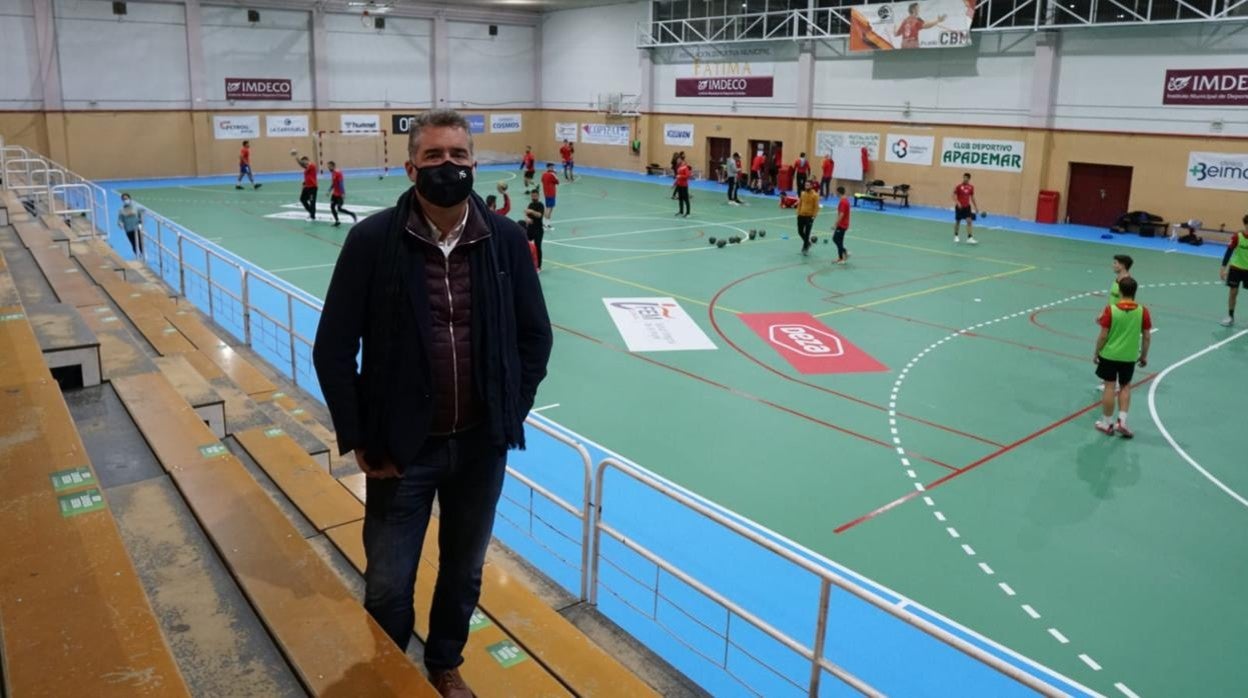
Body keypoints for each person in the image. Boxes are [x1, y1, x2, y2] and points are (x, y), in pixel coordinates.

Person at [312, 110, 552, 698]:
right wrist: (362, 438)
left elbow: (534, 337)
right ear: (411, 165)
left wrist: (507, 414)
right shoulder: (373, 241)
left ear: (474, 162)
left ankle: (444, 662)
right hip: (401, 450)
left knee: (464, 573)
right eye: (436, 156)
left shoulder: (506, 240)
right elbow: (334, 349)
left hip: (480, 444)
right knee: (389, 582)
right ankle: (388, 671)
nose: (448, 166)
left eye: (459, 155)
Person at [1093, 276, 1150, 438]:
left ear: (1119, 291)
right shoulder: (1142, 311)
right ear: (1135, 292)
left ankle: (1107, 423)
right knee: (1125, 386)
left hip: (1110, 354)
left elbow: (1103, 335)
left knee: (1110, 386)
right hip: (1129, 356)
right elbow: (1146, 336)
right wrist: (1143, 355)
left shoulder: (1111, 310)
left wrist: (1096, 352)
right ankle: (1122, 421)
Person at [1219, 216, 1248, 326]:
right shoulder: (1237, 236)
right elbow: (1229, 252)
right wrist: (1223, 268)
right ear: (1245, 224)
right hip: (1236, 268)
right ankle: (1230, 316)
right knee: (1233, 293)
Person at [327, 161, 358, 228]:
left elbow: (341, 184)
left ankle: (352, 214)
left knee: (339, 208)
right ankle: (337, 221)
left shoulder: (338, 173)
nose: (328, 168)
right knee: (332, 207)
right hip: (334, 194)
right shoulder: (333, 173)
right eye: (328, 167)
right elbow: (333, 183)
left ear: (333, 166)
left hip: (339, 195)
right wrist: (329, 190)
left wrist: (343, 193)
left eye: (329, 167)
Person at [291, 150, 318, 221]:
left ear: (307, 160)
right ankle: (311, 212)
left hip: (313, 187)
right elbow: (301, 164)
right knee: (302, 199)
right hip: (307, 187)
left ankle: (312, 216)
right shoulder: (307, 167)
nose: (304, 163)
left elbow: (301, 163)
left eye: (304, 161)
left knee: (312, 202)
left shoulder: (312, 165)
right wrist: (296, 157)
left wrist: (297, 155)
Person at [952, 172, 978, 245]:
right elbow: (953, 196)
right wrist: (958, 203)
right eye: (964, 177)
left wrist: (976, 207)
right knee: (958, 221)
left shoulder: (971, 187)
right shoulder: (958, 187)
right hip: (959, 207)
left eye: (966, 178)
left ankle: (969, 238)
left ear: (969, 179)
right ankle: (956, 236)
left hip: (967, 207)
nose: (965, 179)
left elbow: (972, 198)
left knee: (969, 221)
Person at [523, 188, 545, 271]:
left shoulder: (540, 205)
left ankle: (538, 267)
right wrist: (526, 219)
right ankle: (527, 262)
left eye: (535, 196)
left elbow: (539, 215)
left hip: (538, 230)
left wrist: (531, 211)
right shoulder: (530, 204)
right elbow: (526, 214)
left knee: (537, 247)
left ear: (538, 196)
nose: (533, 197)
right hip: (530, 229)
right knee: (525, 244)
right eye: (532, 196)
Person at [796, 179, 820, 256]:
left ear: (811, 186)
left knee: (807, 233)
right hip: (801, 215)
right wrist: (798, 213)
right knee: (800, 231)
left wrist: (814, 216)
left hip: (809, 217)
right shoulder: (802, 193)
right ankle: (808, 243)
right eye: (805, 185)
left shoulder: (815, 195)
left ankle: (805, 247)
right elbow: (800, 203)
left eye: (808, 185)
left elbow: (816, 207)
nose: (806, 186)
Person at [833, 186, 850, 264]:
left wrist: (835, 224)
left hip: (842, 225)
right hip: (844, 224)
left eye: (836, 192)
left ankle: (843, 254)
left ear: (838, 192)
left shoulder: (843, 202)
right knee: (840, 240)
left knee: (835, 239)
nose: (836, 193)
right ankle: (841, 257)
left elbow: (841, 214)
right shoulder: (845, 200)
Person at [541, 162, 559, 229]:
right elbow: (557, 182)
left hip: (546, 193)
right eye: (552, 167)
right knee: (549, 208)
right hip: (551, 193)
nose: (553, 168)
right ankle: (545, 224)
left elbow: (542, 181)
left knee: (549, 208)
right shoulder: (552, 174)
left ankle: (546, 223)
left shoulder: (544, 174)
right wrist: (555, 174)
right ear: (549, 167)